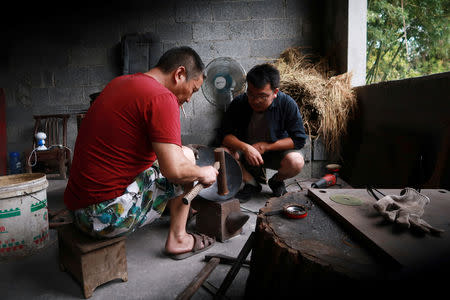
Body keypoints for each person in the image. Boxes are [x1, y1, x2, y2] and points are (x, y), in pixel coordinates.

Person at [64, 46, 218, 260]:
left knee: (170, 156)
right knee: (188, 157)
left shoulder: (120, 82)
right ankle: (179, 238)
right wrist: (204, 172)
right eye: (193, 90)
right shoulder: (162, 98)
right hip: (103, 219)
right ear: (179, 74)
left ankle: (177, 210)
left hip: (77, 210)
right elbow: (174, 170)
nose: (190, 99)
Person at [219, 63, 307, 201]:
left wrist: (266, 146)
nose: (256, 100)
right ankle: (251, 183)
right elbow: (224, 135)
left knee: (296, 161)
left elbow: (299, 139)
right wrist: (245, 147)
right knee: (222, 152)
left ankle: (276, 181)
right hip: (246, 154)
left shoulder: (287, 104)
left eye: (262, 96)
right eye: (251, 94)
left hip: (274, 153)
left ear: (275, 92)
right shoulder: (239, 103)